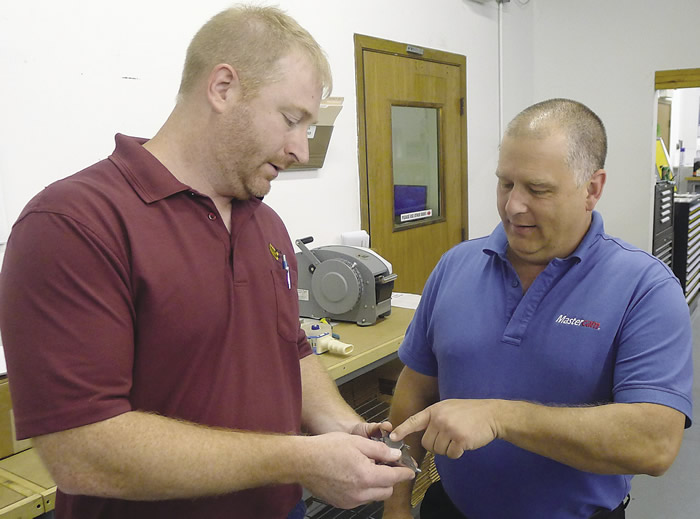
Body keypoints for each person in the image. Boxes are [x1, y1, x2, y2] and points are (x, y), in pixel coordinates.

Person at [0, 6, 415, 519]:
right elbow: (82, 452)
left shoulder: (265, 226)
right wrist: (301, 459)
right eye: (292, 120)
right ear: (223, 88)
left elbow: (291, 352)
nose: (300, 150)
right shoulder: (73, 223)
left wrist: (343, 429)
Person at [382, 99, 693, 519]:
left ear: (592, 189)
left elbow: (655, 444)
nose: (513, 206)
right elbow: (415, 389)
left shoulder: (646, 287)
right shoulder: (456, 265)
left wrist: (500, 417)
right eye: (505, 184)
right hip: (451, 509)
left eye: (538, 189)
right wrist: (397, 503)